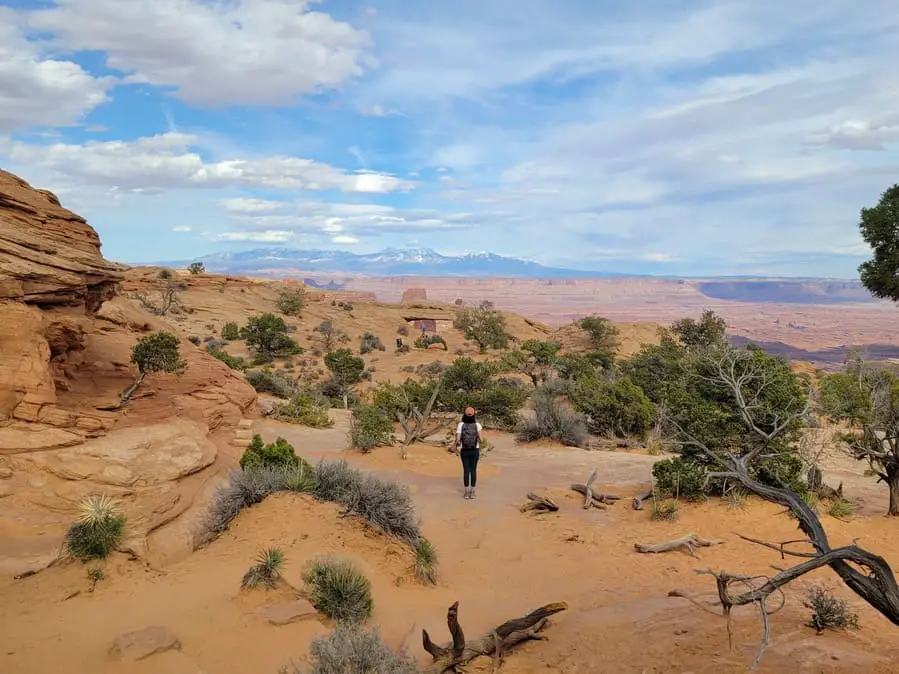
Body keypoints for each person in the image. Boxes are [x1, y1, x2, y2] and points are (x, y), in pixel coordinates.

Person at [455, 406, 482, 499]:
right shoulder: (477, 425)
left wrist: (455, 445)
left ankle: (466, 493)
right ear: (474, 414)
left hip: (464, 450)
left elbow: (458, 440)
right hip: (475, 450)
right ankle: (473, 492)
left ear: (464, 414)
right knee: (473, 470)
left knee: (466, 470)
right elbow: (481, 438)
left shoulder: (461, 425)